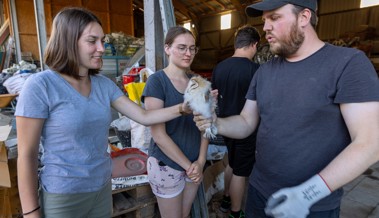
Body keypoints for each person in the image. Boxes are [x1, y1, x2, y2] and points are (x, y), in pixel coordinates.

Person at [194, 0, 379, 218]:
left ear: (304, 17)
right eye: (264, 20)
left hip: (314, 205)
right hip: (258, 193)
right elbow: (246, 122)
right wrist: (215, 122)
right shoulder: (264, 72)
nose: (265, 27)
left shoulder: (347, 64)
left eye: (274, 18)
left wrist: (308, 194)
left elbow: (369, 143)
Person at [15, 8, 190, 218]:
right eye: (92, 41)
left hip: (102, 188)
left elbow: (144, 117)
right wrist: (31, 213)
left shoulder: (103, 85)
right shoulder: (40, 86)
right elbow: (27, 155)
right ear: (68, 41)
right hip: (63, 195)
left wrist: (183, 108)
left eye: (102, 40)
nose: (102, 48)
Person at [141, 26, 208, 218]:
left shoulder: (198, 82)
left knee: (184, 214)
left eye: (192, 48)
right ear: (167, 48)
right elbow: (158, 134)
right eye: (182, 47)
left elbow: (206, 127)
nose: (188, 53)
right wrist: (188, 166)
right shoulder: (157, 82)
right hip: (167, 164)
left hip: (194, 163)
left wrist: (201, 161)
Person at [211, 24, 261, 218]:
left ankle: (225, 198)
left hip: (225, 126)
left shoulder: (219, 67)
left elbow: (215, 97)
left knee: (231, 163)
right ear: (254, 45)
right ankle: (235, 212)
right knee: (241, 171)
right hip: (246, 129)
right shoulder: (256, 70)